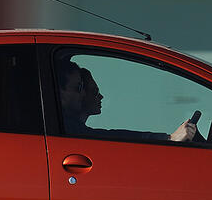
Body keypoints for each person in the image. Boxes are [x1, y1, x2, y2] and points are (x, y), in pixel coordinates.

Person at [57, 59, 198, 142]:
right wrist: (169, 138)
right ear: (60, 91)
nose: (82, 94)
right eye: (79, 87)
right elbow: (107, 138)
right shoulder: (65, 129)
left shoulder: (66, 127)